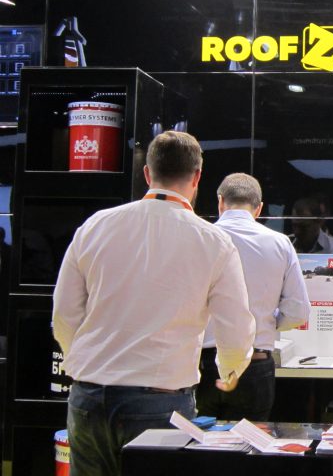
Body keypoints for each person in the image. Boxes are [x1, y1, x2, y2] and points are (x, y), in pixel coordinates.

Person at [52, 131, 256, 476]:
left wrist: (86, 365)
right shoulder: (214, 242)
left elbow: (64, 312)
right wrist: (230, 371)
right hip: (159, 400)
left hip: (89, 397)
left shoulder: (96, 226)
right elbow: (235, 326)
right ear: (197, 177)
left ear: (147, 173)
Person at [196, 173, 310, 420]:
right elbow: (298, 312)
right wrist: (265, 321)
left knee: (199, 441)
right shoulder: (280, 243)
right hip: (255, 364)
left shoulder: (199, 238)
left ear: (220, 202)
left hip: (203, 366)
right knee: (249, 442)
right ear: (258, 208)